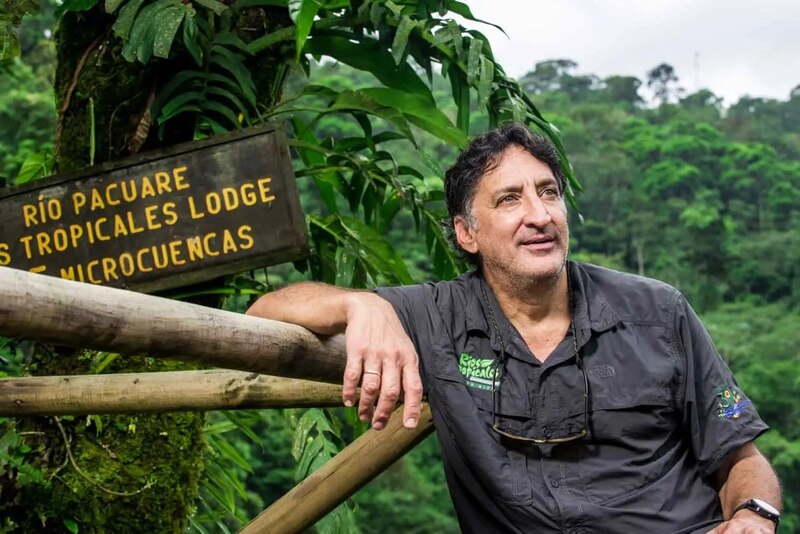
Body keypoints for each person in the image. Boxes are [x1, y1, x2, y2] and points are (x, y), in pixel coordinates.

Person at [247, 123, 782, 533]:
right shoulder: (437, 316)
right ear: (466, 233)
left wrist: (754, 515)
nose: (540, 214)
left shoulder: (657, 311)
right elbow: (265, 310)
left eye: (548, 193)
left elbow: (742, 457)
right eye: (509, 199)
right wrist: (361, 304)